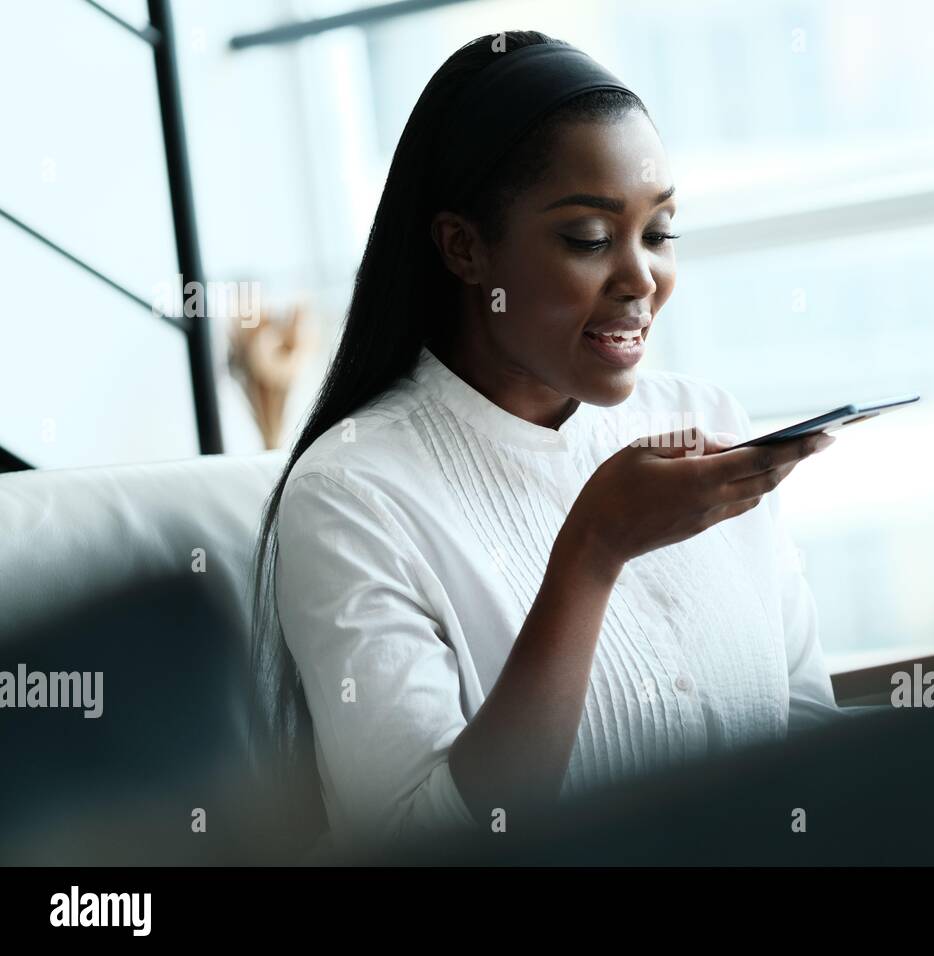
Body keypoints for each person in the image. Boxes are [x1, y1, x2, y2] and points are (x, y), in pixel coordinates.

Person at [250, 31, 845, 858]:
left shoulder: (705, 417)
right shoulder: (354, 494)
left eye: (660, 232)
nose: (641, 279)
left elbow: (805, 730)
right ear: (464, 247)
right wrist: (593, 551)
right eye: (590, 239)